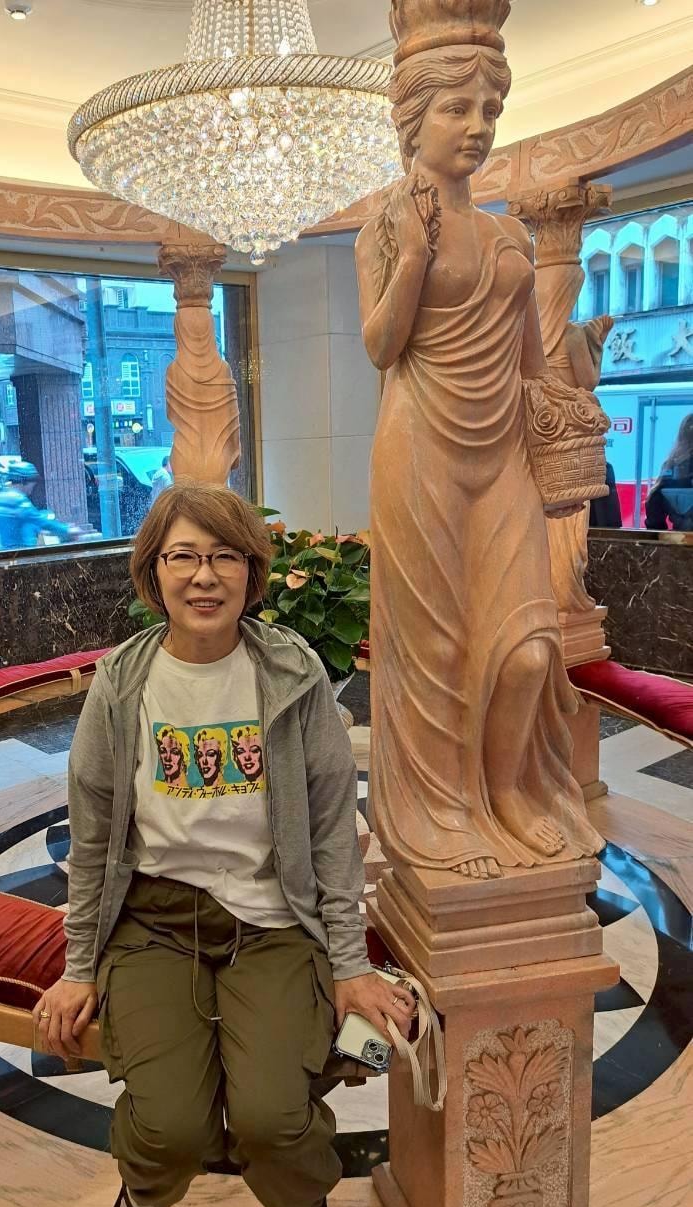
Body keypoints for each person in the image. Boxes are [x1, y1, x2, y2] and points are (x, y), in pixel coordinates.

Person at [33, 483, 414, 1207]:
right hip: (154, 925)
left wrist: (349, 965)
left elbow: (331, 829)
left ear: (251, 571)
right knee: (170, 1124)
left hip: (273, 924)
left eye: (224, 557)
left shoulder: (292, 671)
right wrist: (78, 967)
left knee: (271, 1117)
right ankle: (143, 1198)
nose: (204, 576)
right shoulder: (123, 682)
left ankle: (300, 1205)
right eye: (183, 557)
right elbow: (95, 836)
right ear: (154, 572)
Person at [355, 10, 603, 881]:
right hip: (419, 444)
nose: (478, 126)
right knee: (435, 649)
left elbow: (532, 364)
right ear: (413, 119)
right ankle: (442, 814)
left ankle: (511, 798)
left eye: (490, 109)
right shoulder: (384, 229)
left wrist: (575, 390)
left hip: (502, 456)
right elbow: (381, 348)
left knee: (529, 650)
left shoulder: (511, 235)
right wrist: (414, 258)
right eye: (457, 108)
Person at [0, 459, 73, 550]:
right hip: (21, 552)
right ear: (23, 481)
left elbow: (22, 522)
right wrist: (67, 530)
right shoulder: (17, 500)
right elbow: (38, 520)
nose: (31, 490)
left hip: (5, 550)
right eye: (32, 486)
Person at [645, 413, 693, 531]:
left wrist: (659, 534)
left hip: (680, 537)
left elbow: (653, 500)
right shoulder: (671, 464)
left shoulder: (671, 465)